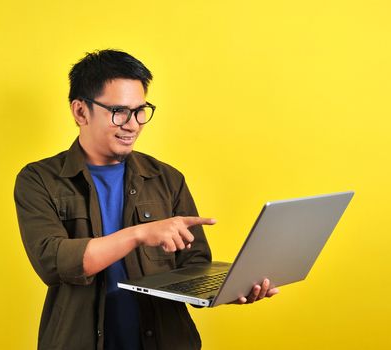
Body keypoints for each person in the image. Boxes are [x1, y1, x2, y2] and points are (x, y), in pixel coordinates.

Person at [14, 49, 279, 350]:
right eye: (119, 112)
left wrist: (229, 288)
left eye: (141, 110)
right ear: (80, 112)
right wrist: (139, 233)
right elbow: (54, 261)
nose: (133, 124)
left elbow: (194, 263)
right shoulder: (39, 179)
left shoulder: (167, 178)